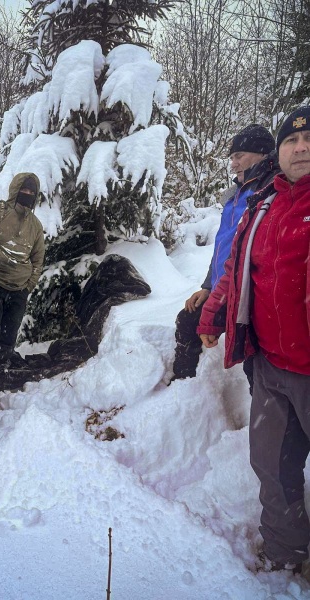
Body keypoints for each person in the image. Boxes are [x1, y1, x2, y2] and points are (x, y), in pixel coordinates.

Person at [197, 106, 310, 574]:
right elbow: (234, 268)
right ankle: (286, 554)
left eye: (308, 141)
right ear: (278, 153)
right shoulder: (262, 204)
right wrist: (211, 315)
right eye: (291, 141)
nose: (301, 147)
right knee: (273, 467)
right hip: (268, 367)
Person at [171, 124, 279, 388]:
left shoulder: (271, 191)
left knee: (260, 368)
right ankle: (184, 388)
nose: (233, 164)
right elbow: (224, 247)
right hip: (224, 289)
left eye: (239, 156)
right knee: (188, 318)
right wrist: (208, 287)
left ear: (263, 154)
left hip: (250, 297)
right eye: (232, 157)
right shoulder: (236, 196)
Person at [0, 172, 45, 409]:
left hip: (18, 292)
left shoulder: (35, 225)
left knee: (8, 340)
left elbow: (38, 259)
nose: (27, 195)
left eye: (32, 192)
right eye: (24, 190)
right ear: (15, 190)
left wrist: (28, 285)